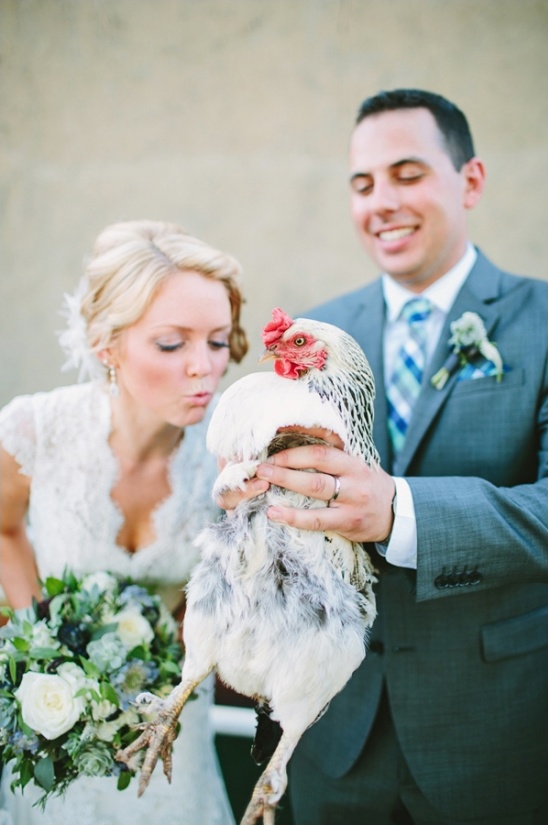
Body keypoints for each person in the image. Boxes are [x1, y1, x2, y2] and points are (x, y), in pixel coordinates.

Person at [222, 89, 548, 824]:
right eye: (363, 184)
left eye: (407, 174)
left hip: (495, 733)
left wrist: (402, 511)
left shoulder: (542, 320)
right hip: (333, 736)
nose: (381, 202)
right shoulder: (319, 330)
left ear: (471, 181)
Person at [0, 219, 248, 825]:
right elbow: (3, 528)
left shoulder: (232, 457)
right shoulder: (34, 432)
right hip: (51, 719)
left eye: (217, 342)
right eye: (172, 344)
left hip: (169, 728)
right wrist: (42, 650)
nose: (204, 368)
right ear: (107, 346)